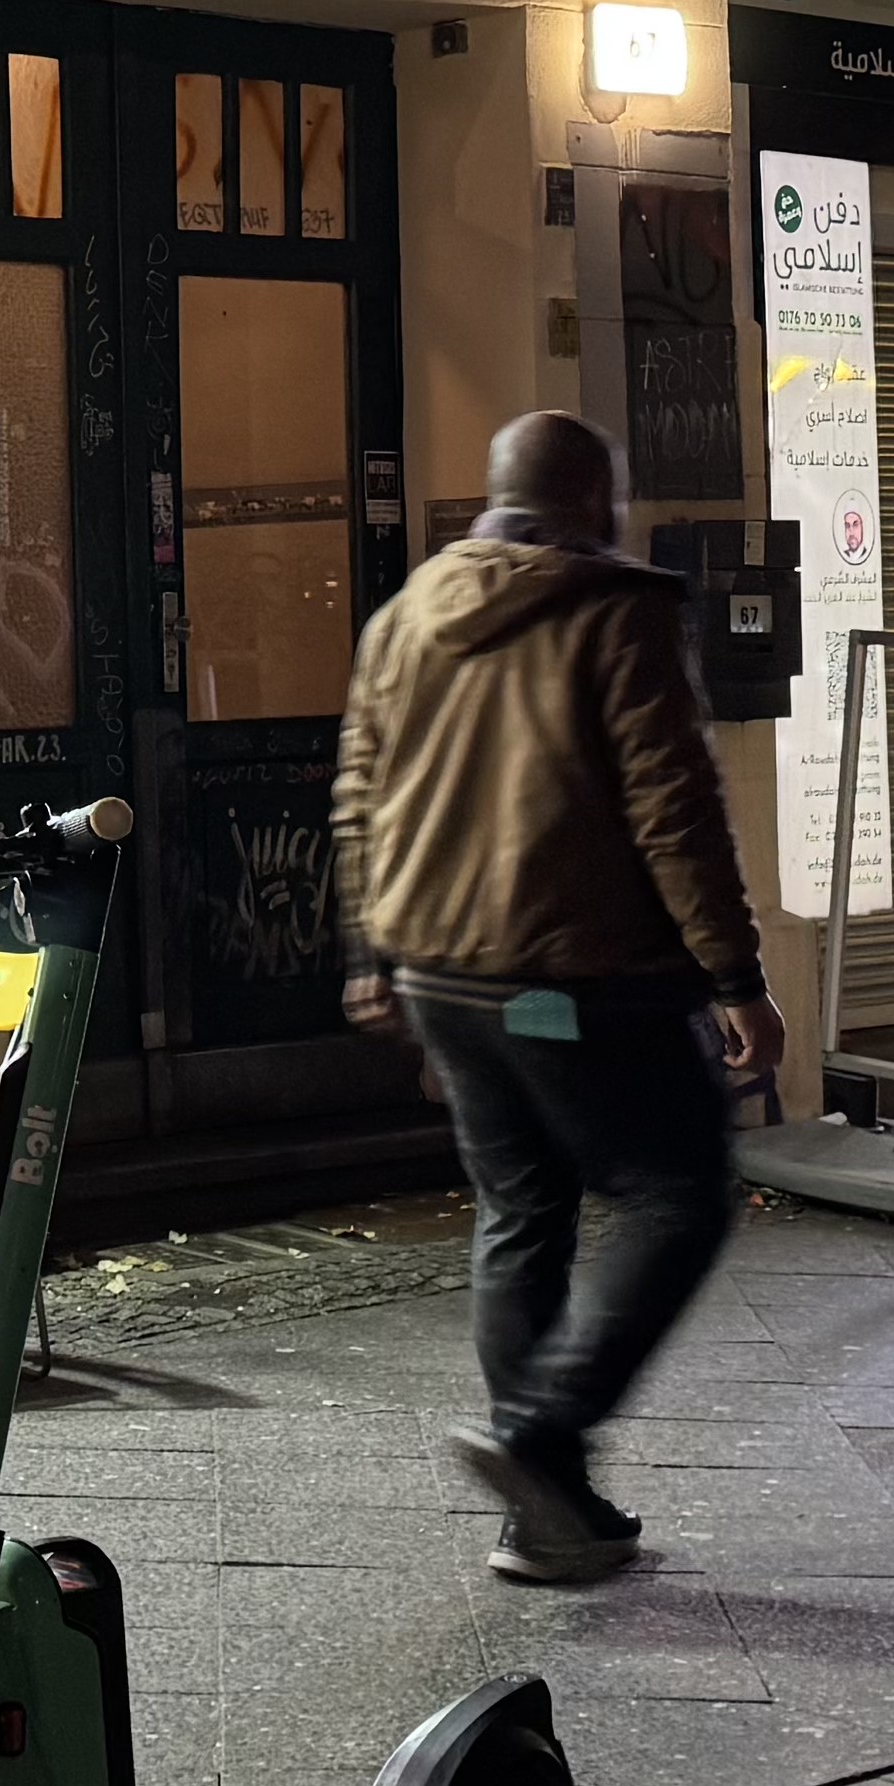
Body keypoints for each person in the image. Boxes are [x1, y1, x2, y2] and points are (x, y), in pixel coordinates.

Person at [332, 410, 779, 1584]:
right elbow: (674, 811)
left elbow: (357, 795)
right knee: (678, 1197)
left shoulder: (403, 617)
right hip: (580, 979)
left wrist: (367, 952)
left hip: (439, 976)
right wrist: (734, 976)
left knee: (520, 1212)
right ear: (594, 498)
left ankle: (549, 1516)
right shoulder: (614, 614)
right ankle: (539, 1432)